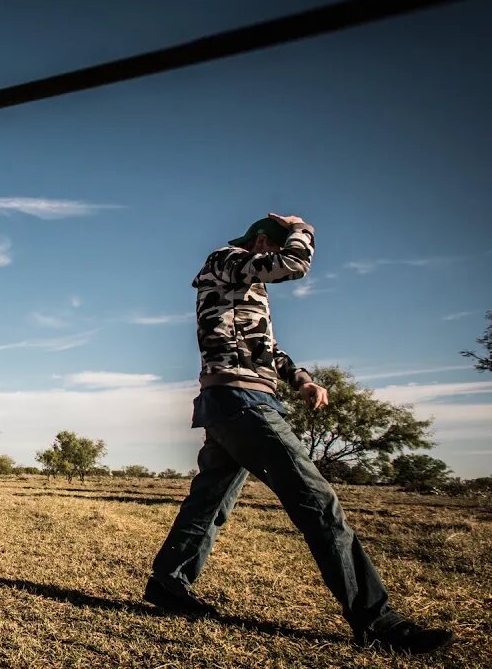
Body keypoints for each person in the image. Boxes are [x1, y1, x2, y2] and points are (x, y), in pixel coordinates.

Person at [144, 214, 453, 655]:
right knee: (317, 501)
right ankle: (377, 620)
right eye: (277, 244)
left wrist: (303, 380)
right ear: (265, 242)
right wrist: (302, 229)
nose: (279, 253)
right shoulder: (226, 259)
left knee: (210, 501)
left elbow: (271, 350)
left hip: (236, 400)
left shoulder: (246, 291)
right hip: (240, 400)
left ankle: (169, 585)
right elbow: (295, 265)